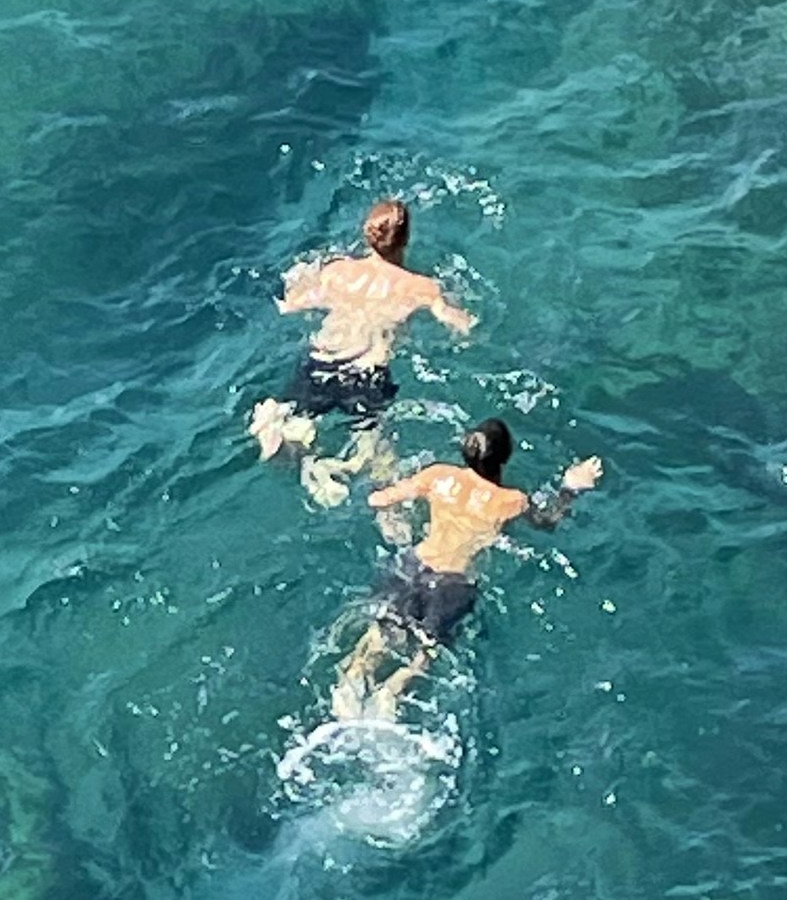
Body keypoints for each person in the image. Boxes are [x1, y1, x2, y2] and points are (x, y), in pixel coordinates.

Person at [334, 417, 601, 721]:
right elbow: (548, 521)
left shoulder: (438, 475)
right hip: (452, 584)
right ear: (505, 456)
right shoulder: (510, 500)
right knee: (427, 650)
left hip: (411, 564)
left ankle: (350, 681)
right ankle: (393, 690)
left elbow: (378, 499)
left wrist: (393, 517)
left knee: (382, 632)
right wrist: (571, 487)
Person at [250, 198, 475, 505]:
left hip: (320, 365)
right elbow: (458, 324)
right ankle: (390, 520)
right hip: (366, 376)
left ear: (367, 233)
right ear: (406, 238)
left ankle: (299, 454)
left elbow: (292, 304)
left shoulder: (336, 271)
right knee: (379, 458)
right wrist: (465, 319)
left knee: (287, 420)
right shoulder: (421, 287)